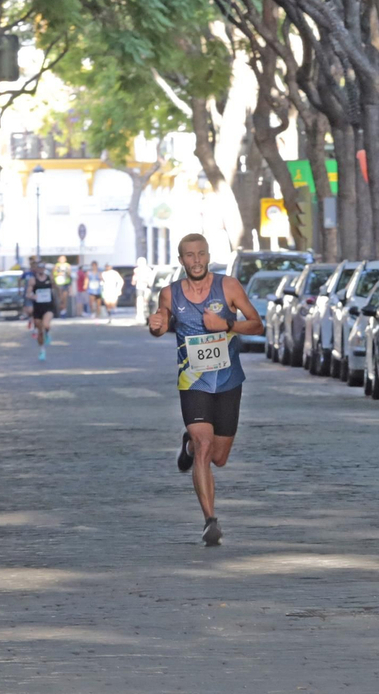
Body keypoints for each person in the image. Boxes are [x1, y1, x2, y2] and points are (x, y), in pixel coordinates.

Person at [146, 233, 264, 546]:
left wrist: (227, 326)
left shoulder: (228, 286)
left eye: (200, 254)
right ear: (181, 259)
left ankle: (187, 447)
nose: (195, 260)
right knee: (204, 443)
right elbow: (160, 324)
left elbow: (257, 324)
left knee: (219, 457)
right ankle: (210, 521)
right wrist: (156, 326)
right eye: (189, 255)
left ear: (208, 256)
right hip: (193, 380)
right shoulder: (170, 293)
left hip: (228, 381)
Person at [24, 258, 58, 360]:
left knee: (46, 324)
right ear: (36, 269)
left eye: (42, 268)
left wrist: (60, 300)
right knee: (40, 331)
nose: (41, 269)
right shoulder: (33, 280)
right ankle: (42, 350)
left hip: (48, 306)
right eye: (39, 268)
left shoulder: (49, 278)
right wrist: (32, 296)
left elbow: (55, 287)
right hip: (38, 307)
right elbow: (28, 293)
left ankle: (48, 332)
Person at [133, 257, 154, 323]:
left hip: (146, 287)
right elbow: (134, 280)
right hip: (139, 287)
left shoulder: (148, 269)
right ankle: (140, 315)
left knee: (146, 301)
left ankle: (145, 314)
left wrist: (147, 281)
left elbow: (150, 279)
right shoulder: (136, 270)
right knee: (139, 301)